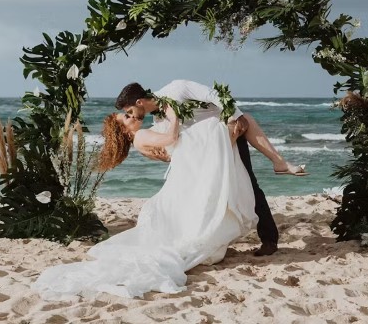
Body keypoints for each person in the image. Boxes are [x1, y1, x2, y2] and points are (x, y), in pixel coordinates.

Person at [33, 103, 258, 299]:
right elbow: (173, 138)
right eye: (127, 118)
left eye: (129, 113)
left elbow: (175, 156)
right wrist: (174, 115)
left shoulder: (143, 136)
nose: (133, 117)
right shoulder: (141, 136)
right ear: (123, 130)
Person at [115, 80, 307, 258]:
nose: (131, 116)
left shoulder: (177, 88)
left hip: (229, 136)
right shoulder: (159, 121)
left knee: (249, 183)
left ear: (139, 101)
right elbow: (182, 143)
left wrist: (236, 116)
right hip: (208, 153)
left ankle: (269, 240)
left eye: (129, 110)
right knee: (208, 195)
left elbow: (213, 95)